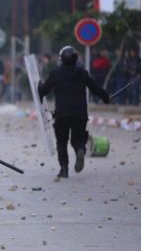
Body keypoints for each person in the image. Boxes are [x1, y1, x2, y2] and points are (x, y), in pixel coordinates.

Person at [38, 46, 110, 180]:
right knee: (77, 139)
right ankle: (80, 150)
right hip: (80, 113)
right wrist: (106, 97)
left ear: (61, 59)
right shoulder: (83, 73)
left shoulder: (56, 73)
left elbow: (44, 91)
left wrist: (39, 87)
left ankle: (64, 169)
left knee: (62, 141)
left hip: (62, 113)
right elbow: (95, 88)